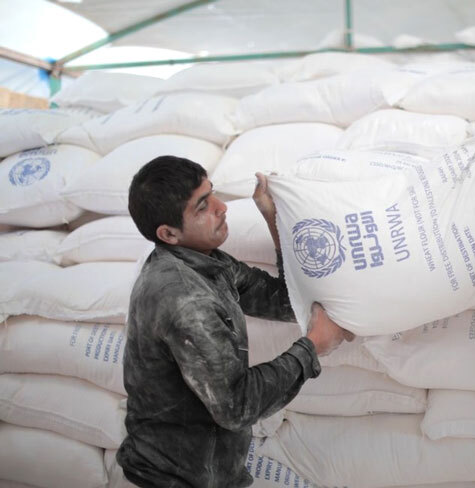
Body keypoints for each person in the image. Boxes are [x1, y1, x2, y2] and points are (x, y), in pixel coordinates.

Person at [117, 156, 353, 488]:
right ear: (168, 232)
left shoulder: (204, 263)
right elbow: (235, 406)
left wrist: (274, 219)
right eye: (202, 207)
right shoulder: (184, 300)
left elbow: (283, 299)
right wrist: (313, 346)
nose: (222, 207)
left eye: (212, 193)